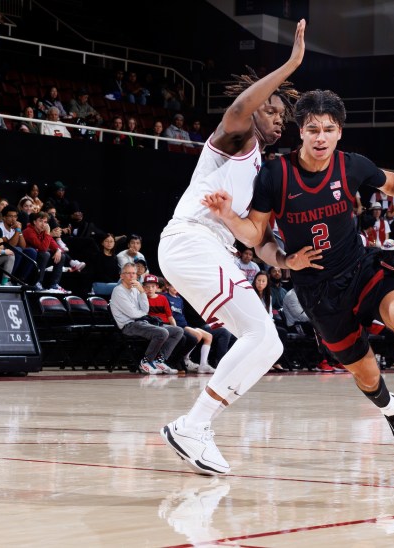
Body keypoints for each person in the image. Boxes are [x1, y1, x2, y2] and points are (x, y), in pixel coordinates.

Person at [203, 88, 394, 464]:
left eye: (328, 129)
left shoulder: (352, 165)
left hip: (361, 268)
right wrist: (233, 220)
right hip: (317, 290)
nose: (320, 137)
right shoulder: (276, 174)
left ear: (339, 131)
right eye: (312, 129)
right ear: (301, 132)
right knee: (367, 374)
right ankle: (393, 411)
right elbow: (255, 236)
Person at [157, 18, 306, 476]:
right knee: (262, 337)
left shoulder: (262, 174)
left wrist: (285, 260)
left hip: (212, 249)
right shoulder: (234, 140)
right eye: (274, 111)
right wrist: (292, 63)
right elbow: (243, 104)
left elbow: (257, 240)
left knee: (267, 344)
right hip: (190, 240)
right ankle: (192, 425)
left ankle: (197, 425)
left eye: (283, 118)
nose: (278, 121)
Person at [110, 263, 183, 375]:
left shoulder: (136, 290)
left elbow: (145, 309)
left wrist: (142, 292)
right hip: (129, 325)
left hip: (142, 322)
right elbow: (133, 314)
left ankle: (159, 360)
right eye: (128, 273)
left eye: (133, 273)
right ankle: (146, 361)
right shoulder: (118, 291)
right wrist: (142, 313)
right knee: (162, 332)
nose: (131, 276)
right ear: (121, 276)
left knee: (178, 331)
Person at [162, 280, 215, 373]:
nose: (175, 288)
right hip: (177, 325)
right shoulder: (165, 297)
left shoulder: (179, 299)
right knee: (197, 335)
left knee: (209, 336)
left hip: (185, 324)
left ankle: (203, 365)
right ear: (167, 286)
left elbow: (181, 314)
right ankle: (186, 359)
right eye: (173, 286)